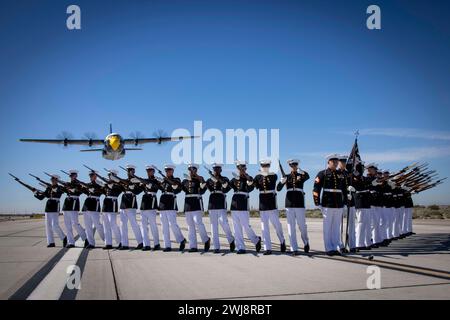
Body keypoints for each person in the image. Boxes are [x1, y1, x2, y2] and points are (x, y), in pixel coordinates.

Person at [313, 154, 347, 256]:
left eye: (337, 162)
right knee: (327, 227)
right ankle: (329, 248)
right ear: (328, 162)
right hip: (327, 203)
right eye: (334, 162)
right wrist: (317, 202)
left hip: (338, 204)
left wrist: (345, 203)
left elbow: (344, 190)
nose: (336, 163)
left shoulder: (340, 174)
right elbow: (316, 189)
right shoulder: (322, 173)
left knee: (336, 227)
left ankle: (336, 246)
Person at [277, 159, 310, 255]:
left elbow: (308, 176)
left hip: (299, 203)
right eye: (292, 165)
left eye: (295, 165)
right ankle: (293, 248)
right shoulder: (286, 176)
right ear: (290, 166)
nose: (294, 166)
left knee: (302, 226)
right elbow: (278, 189)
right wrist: (282, 182)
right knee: (291, 226)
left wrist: (301, 171)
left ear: (297, 165)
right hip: (289, 203)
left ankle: (306, 242)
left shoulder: (301, 175)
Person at [254, 159, 285, 255]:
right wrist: (250, 182)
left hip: (271, 202)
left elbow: (273, 184)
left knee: (276, 225)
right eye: (263, 165)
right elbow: (254, 186)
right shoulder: (258, 176)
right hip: (263, 203)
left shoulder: (273, 175)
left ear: (269, 166)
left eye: (267, 165)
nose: (265, 167)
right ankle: (267, 248)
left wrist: (282, 182)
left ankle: (282, 240)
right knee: (264, 227)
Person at [230, 161, 262, 254]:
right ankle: (241, 247)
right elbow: (226, 188)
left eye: (243, 168)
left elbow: (251, 187)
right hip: (234, 204)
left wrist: (246, 176)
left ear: (245, 169)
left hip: (243, 203)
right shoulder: (234, 179)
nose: (241, 170)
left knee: (246, 226)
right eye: (240, 169)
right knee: (236, 227)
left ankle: (256, 240)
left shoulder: (249, 178)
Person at [205, 163, 235, 253]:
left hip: (221, 202)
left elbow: (226, 187)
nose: (216, 171)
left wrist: (218, 179)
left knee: (223, 222)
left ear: (220, 170)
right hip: (212, 203)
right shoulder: (209, 180)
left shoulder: (225, 179)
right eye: (214, 169)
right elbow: (207, 188)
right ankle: (216, 247)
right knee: (213, 226)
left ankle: (231, 240)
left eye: (217, 169)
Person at [181, 163, 211, 252]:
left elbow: (203, 190)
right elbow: (179, 189)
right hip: (188, 204)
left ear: (196, 171)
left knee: (198, 223)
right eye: (190, 170)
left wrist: (197, 177)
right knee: (190, 226)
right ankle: (193, 246)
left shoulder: (200, 180)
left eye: (193, 170)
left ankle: (206, 240)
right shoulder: (185, 181)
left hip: (197, 203)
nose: (191, 171)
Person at [158, 164, 186, 252]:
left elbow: (178, 188)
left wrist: (169, 181)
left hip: (171, 203)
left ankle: (181, 240)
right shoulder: (163, 181)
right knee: (164, 226)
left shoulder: (176, 179)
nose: (168, 172)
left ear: (173, 171)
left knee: (172, 224)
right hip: (163, 204)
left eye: (169, 171)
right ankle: (167, 245)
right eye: (166, 171)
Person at [34, 174, 67, 248]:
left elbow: (59, 192)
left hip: (55, 206)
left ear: (57, 180)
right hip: (48, 207)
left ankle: (64, 237)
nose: (52, 181)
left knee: (54, 225)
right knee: (48, 226)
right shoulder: (48, 188)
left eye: (54, 180)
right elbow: (41, 197)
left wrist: (53, 189)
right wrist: (35, 193)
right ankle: (51, 242)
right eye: (51, 180)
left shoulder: (60, 187)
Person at [118, 164, 144, 250]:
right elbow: (119, 188)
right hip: (123, 203)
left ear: (134, 171)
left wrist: (133, 188)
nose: (129, 172)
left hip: (131, 203)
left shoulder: (137, 181)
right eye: (128, 171)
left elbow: (139, 191)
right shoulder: (124, 181)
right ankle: (124, 244)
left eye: (131, 171)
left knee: (134, 224)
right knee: (123, 225)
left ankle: (140, 242)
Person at [61, 169, 87, 248]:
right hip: (67, 204)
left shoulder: (79, 184)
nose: (72, 177)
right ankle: (71, 242)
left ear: (76, 176)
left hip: (74, 202)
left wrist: (75, 189)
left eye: (73, 176)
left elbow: (82, 191)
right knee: (67, 225)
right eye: (71, 176)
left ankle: (86, 237)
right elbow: (63, 190)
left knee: (75, 223)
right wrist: (66, 187)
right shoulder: (68, 183)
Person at [140, 165, 161, 251]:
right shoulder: (144, 180)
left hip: (152, 203)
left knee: (153, 225)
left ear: (153, 172)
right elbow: (137, 191)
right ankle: (146, 244)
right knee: (143, 226)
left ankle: (156, 244)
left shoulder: (156, 180)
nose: (149, 172)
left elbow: (157, 187)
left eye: (150, 171)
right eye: (147, 171)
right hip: (144, 204)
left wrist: (149, 185)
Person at [81, 171, 105, 249]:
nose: (92, 177)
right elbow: (82, 191)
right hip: (87, 205)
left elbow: (103, 191)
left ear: (96, 176)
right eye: (91, 176)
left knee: (97, 224)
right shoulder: (87, 185)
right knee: (88, 226)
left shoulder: (99, 184)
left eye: (93, 175)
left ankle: (106, 240)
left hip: (95, 204)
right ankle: (91, 243)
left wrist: (95, 189)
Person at [101, 170, 123, 250]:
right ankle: (108, 243)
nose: (109, 177)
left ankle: (120, 241)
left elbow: (118, 190)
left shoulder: (118, 185)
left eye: (111, 175)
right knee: (105, 225)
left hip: (113, 202)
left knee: (112, 223)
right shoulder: (107, 184)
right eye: (109, 175)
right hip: (106, 203)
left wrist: (111, 185)